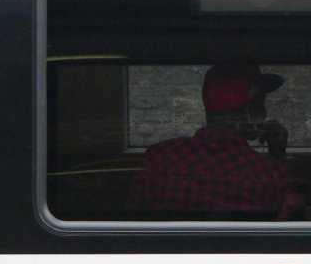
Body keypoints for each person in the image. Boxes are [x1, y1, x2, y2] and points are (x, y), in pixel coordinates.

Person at [129, 64, 301, 219]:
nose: (263, 113)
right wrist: (277, 154)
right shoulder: (266, 173)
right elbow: (291, 216)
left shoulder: (158, 158)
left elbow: (133, 216)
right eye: (260, 106)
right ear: (248, 113)